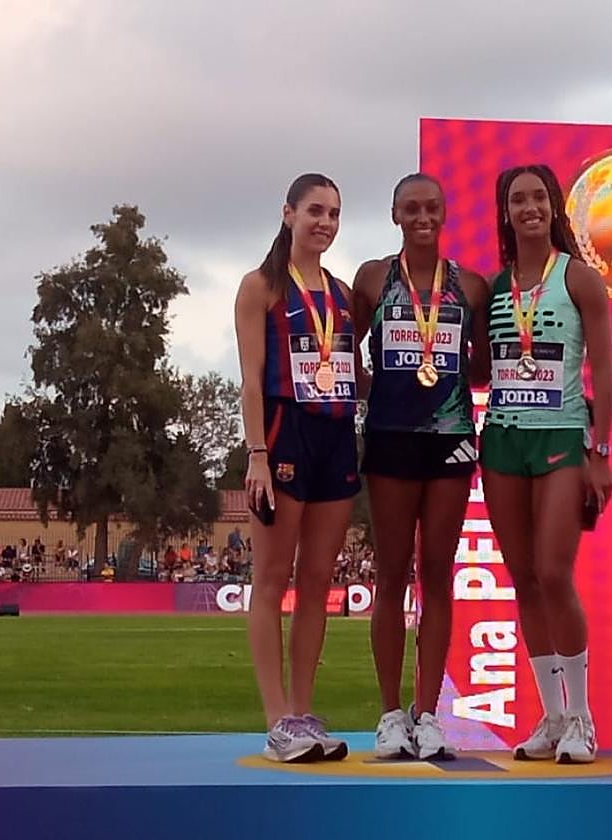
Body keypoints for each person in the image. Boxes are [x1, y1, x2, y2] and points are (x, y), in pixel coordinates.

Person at [352, 173, 491, 760]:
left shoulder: (471, 286)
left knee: (437, 575)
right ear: (394, 214)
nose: (421, 217)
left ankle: (428, 713)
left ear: (445, 212)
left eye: (431, 207)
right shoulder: (372, 278)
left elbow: (482, 367)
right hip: (388, 437)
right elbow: (343, 347)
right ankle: (390, 715)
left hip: (452, 438)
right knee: (390, 573)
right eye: (410, 208)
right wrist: (373, 386)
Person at [479, 164, 612, 764]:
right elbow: (483, 368)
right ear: (505, 213)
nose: (529, 207)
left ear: (554, 207)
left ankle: (584, 717)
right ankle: (553, 717)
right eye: (518, 199)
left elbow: (605, 374)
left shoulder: (579, 278)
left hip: (561, 435)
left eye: (538, 197)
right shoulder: (491, 287)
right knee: (524, 580)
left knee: (555, 573)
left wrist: (601, 452)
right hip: (503, 439)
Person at [234, 172, 359, 763]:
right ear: (288, 213)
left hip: (336, 434)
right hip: (283, 434)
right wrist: (256, 454)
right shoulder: (261, 286)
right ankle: (276, 718)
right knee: (271, 578)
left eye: (334, 213)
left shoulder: (340, 293)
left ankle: (304, 714)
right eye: (314, 211)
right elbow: (251, 379)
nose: (325, 223)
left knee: (317, 583)